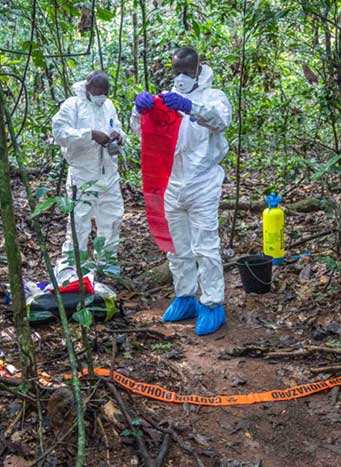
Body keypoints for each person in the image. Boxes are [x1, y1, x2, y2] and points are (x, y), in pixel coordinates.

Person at [131, 47, 232, 336]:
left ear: (198, 69)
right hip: (171, 182)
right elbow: (141, 131)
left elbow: (220, 120)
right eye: (177, 71)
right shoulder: (166, 98)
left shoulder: (214, 97)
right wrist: (139, 110)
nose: (181, 77)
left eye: (187, 71)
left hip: (203, 182)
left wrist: (191, 108)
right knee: (176, 246)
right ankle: (185, 296)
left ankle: (212, 303)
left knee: (206, 244)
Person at [52, 71, 126, 280]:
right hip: (83, 173)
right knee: (79, 221)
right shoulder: (72, 105)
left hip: (109, 172)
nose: (101, 96)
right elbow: (60, 133)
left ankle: (106, 264)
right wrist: (90, 134)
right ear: (88, 88)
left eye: (105, 92)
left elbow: (117, 127)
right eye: (97, 91)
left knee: (112, 218)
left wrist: (118, 137)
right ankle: (73, 267)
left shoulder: (108, 106)